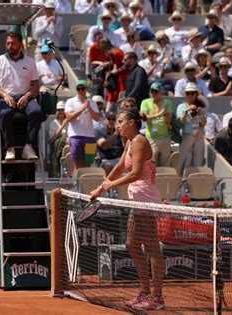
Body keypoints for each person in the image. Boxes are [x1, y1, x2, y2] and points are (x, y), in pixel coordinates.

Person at [89, 108, 165, 311]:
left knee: (151, 247)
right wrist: (101, 186)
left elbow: (136, 173)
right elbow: (121, 167)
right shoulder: (130, 142)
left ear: (131, 122)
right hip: (136, 199)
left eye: (121, 121)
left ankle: (157, 297)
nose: (117, 125)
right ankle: (145, 291)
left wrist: (109, 187)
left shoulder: (139, 140)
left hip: (146, 200)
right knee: (132, 244)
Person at [0, 32, 43, 161]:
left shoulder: (30, 62)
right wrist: (5, 95)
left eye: (13, 43)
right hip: (5, 97)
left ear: (20, 44)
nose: (10, 46)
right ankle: (10, 149)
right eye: (8, 43)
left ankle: (28, 147)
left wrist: (27, 96)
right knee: (4, 113)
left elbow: (36, 86)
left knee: (37, 111)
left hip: (25, 96)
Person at [65, 80, 100, 170]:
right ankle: (78, 183)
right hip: (76, 137)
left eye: (82, 88)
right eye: (78, 88)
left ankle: (85, 183)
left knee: (88, 164)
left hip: (90, 137)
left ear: (86, 89)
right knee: (78, 165)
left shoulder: (92, 102)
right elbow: (69, 117)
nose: (80, 90)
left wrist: (89, 108)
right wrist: (82, 108)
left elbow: (96, 118)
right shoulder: (70, 101)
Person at [140, 82, 173, 167]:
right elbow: (145, 118)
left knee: (166, 163)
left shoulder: (167, 102)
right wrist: (161, 113)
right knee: (151, 162)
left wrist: (165, 114)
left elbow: (168, 122)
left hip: (165, 137)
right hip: (152, 137)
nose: (153, 94)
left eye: (156, 91)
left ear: (161, 92)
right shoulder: (145, 102)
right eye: (152, 91)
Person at [176, 83, 207, 174]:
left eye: (192, 93)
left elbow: (203, 124)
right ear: (185, 95)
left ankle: (196, 182)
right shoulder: (181, 107)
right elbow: (181, 122)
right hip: (186, 135)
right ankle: (183, 181)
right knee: (185, 159)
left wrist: (202, 114)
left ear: (196, 94)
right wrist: (187, 110)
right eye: (188, 93)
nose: (190, 95)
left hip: (198, 134)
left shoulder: (200, 107)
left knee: (198, 159)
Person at [49, 101, 68, 178]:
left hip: (68, 144)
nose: (60, 111)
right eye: (58, 110)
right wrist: (63, 125)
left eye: (62, 109)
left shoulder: (70, 122)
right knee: (61, 139)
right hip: (57, 145)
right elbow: (53, 138)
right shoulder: (54, 122)